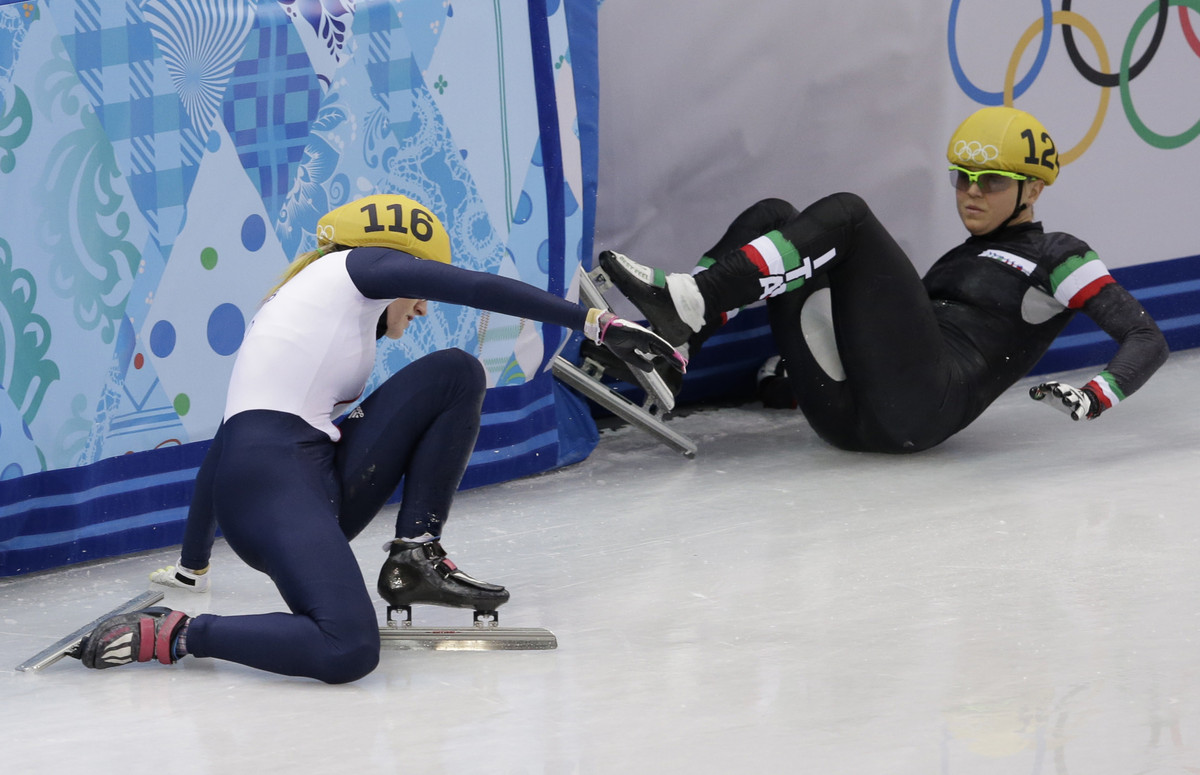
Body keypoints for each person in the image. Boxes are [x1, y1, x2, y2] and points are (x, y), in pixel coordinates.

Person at [75, 194, 685, 683]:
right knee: (347, 648)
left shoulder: (318, 305)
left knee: (456, 372)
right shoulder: (357, 267)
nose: (422, 308)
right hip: (274, 487)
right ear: (399, 263)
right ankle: (177, 634)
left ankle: (414, 555)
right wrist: (596, 322)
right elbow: (472, 286)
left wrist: (193, 563)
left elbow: (226, 444)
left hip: (302, 472)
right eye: (419, 288)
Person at [597, 106, 1167, 453]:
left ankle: (695, 300)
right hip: (845, 419)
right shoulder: (959, 257)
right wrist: (788, 376)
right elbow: (880, 337)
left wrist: (1098, 395)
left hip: (920, 411)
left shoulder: (1057, 253)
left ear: (1034, 189)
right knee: (774, 215)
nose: (971, 192)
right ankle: (674, 347)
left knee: (849, 214)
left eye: (991, 180)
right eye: (962, 176)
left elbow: (1146, 336)